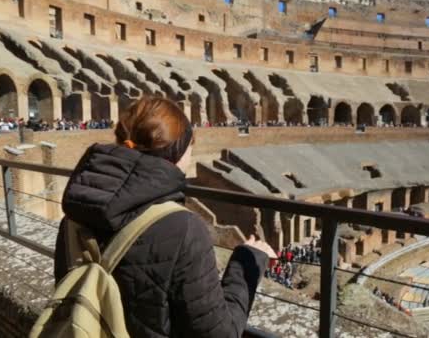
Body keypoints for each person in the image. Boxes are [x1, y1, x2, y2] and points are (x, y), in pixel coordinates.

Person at [54, 97, 276, 338]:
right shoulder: (183, 228)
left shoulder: (75, 213)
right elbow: (219, 333)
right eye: (191, 147)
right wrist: (247, 263)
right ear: (178, 152)